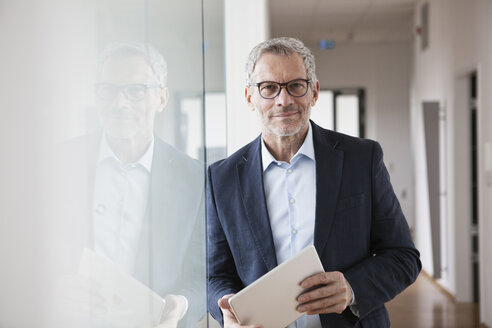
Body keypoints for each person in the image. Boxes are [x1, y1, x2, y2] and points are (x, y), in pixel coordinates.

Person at [206, 37, 421, 328]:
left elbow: (403, 256)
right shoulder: (222, 178)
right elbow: (216, 275)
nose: (284, 100)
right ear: (249, 97)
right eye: (269, 88)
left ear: (314, 92)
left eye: (296, 85)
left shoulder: (362, 159)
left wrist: (352, 288)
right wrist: (228, 311)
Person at [53, 42, 206, 328]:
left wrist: (180, 305)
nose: (119, 103)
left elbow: (204, 275)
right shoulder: (57, 164)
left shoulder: (195, 178)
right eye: (108, 89)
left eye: (136, 90)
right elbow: (23, 255)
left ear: (162, 98)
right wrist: (51, 290)